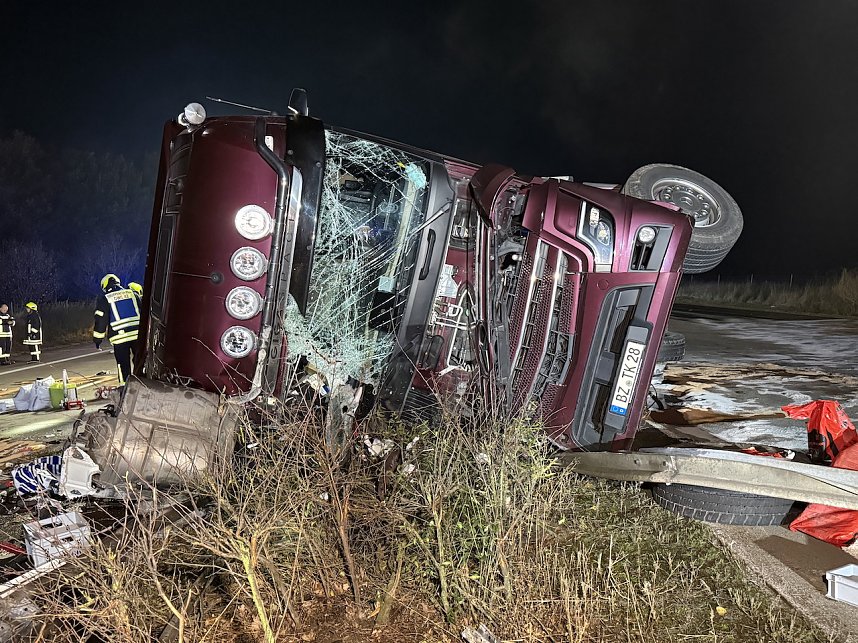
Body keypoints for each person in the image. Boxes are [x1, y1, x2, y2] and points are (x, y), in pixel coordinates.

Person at [93, 274, 140, 386]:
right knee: (140, 362)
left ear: (105, 286)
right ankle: (143, 385)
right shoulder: (133, 294)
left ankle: (125, 388)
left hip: (119, 338)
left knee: (123, 364)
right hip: (138, 335)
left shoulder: (105, 299)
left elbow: (101, 320)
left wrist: (97, 340)